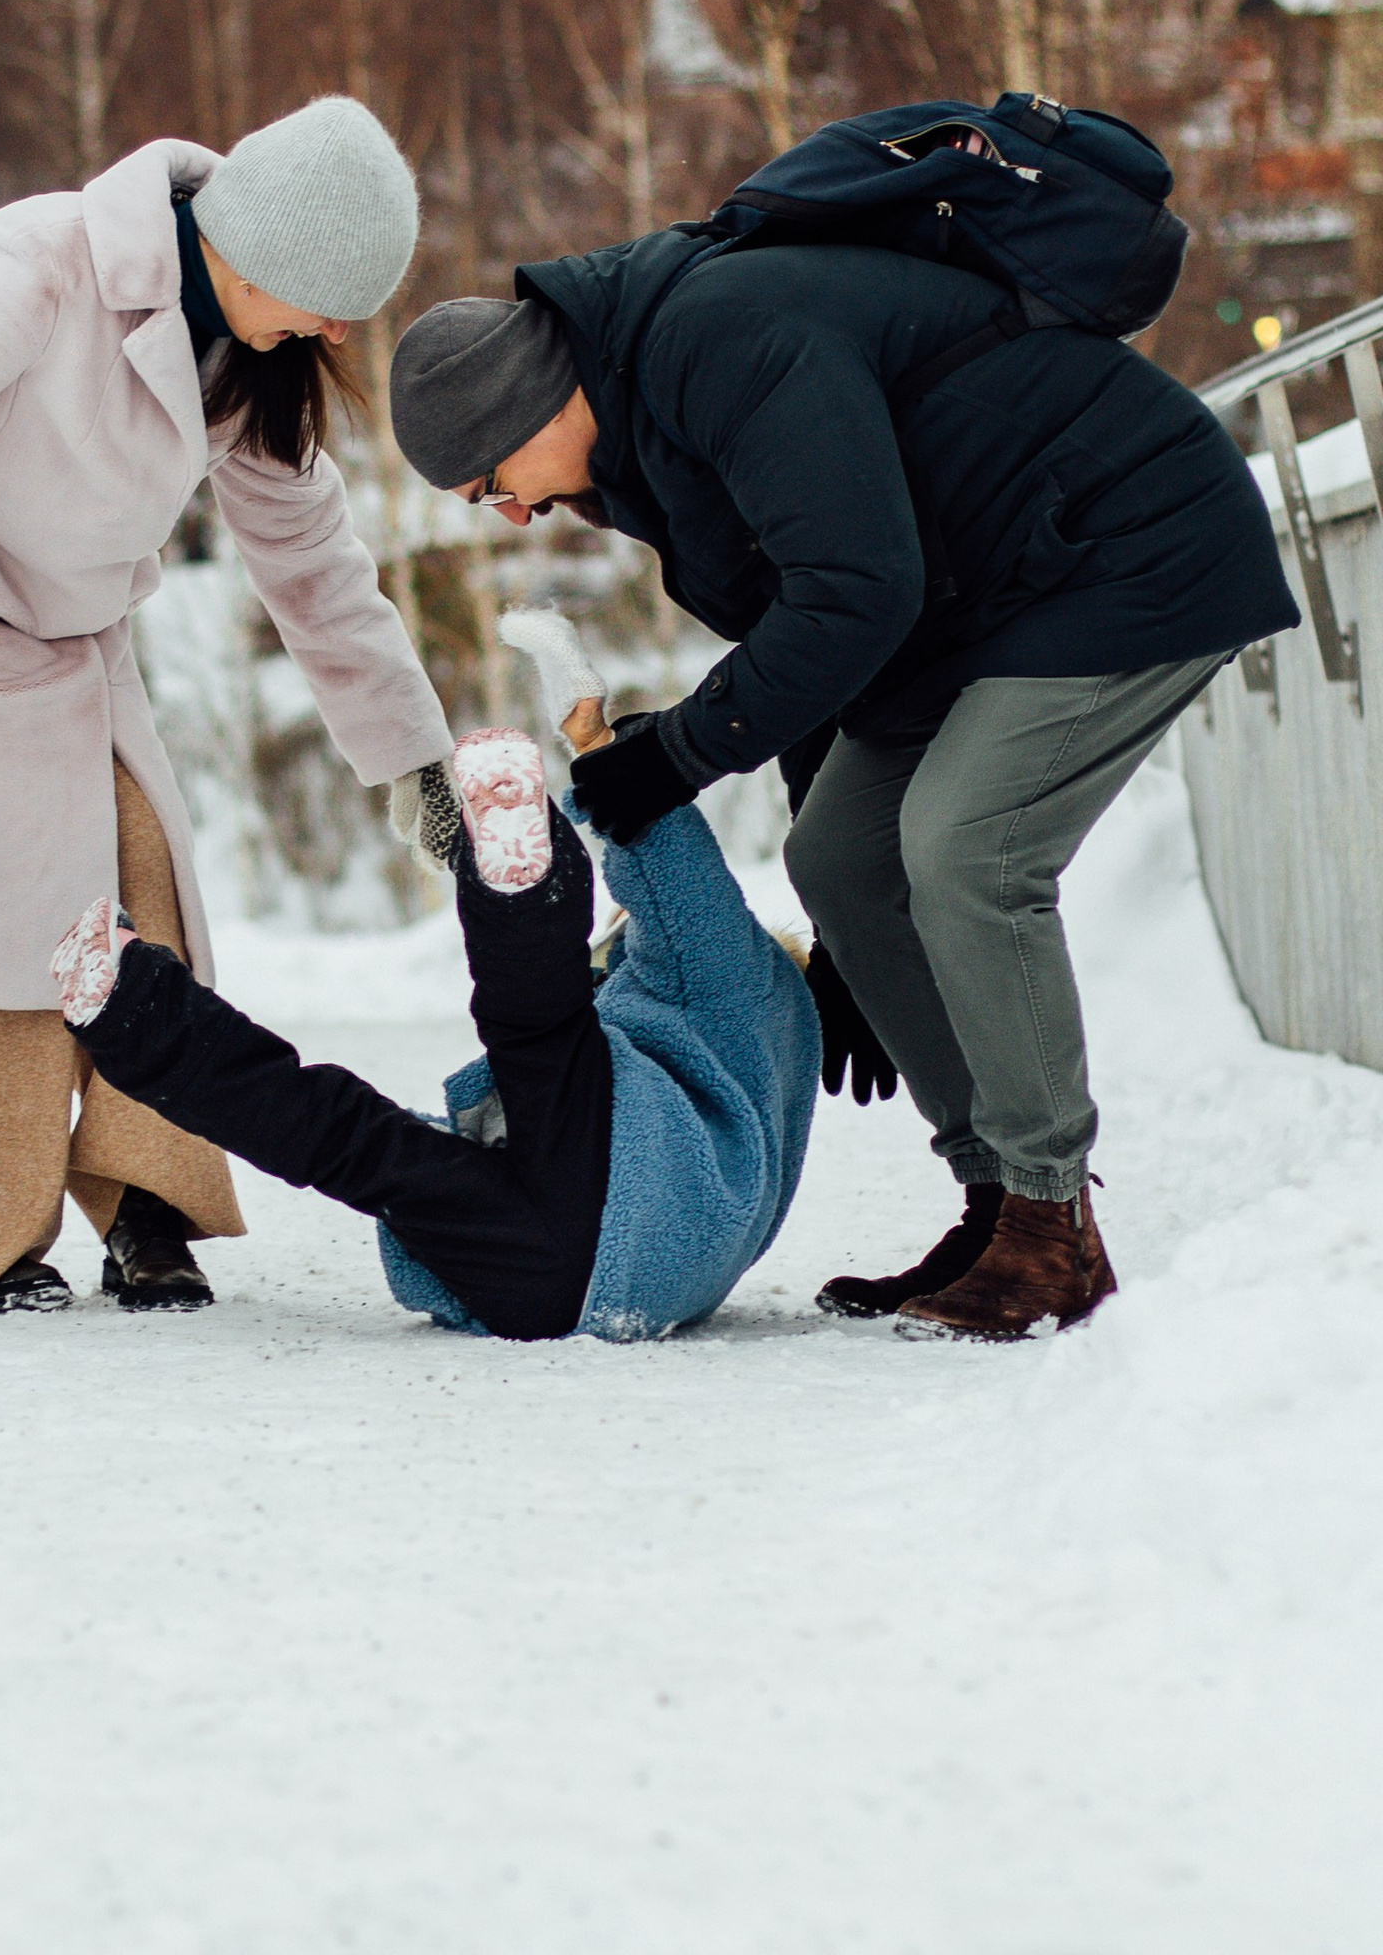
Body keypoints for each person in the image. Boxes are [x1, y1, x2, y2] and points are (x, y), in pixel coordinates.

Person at [386, 210, 1298, 1342]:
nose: (514, 511)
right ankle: (994, 1202)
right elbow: (812, 635)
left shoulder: (712, 342)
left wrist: (675, 752)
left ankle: (1051, 1224)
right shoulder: (643, 445)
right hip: (979, 603)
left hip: (1124, 541)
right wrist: (857, 943)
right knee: (840, 861)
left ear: (527, 408)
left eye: (491, 482)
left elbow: (855, 593)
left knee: (966, 846)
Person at [0, 98, 456, 1312]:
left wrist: (412, 758)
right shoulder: (30, 265)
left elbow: (319, 572)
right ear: (253, 249)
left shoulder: (251, 355)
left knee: (150, 906)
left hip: (80, 652)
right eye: (329, 294)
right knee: (8, 950)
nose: (338, 328)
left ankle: (145, 1203)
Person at [50, 627, 818, 1342]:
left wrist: (595, 744)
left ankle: (523, 873)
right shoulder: (757, 1086)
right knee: (346, 1139)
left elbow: (681, 880)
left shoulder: (748, 980)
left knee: (542, 1027)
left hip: (614, 1202)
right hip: (551, 1293)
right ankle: (130, 1009)